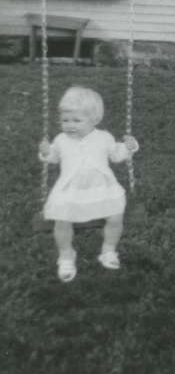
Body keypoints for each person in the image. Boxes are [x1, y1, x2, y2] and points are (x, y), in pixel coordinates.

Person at [38, 86, 139, 282]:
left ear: (94, 120)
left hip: (102, 188)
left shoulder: (104, 137)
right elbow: (53, 157)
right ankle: (66, 255)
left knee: (115, 218)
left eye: (77, 120)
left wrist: (129, 147)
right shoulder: (61, 139)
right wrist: (45, 151)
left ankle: (108, 250)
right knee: (62, 221)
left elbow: (117, 155)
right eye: (65, 120)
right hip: (70, 190)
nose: (70, 125)